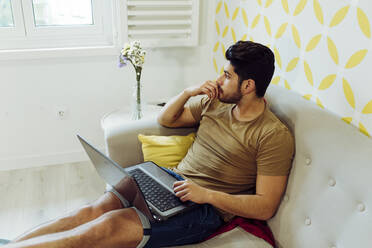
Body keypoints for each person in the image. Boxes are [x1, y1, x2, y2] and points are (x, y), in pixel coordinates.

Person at [3, 40, 294, 248]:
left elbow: (265, 206)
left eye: (227, 75)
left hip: (204, 208)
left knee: (104, 228)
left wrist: (205, 194)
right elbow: (169, 120)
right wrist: (188, 91)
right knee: (88, 212)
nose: (218, 80)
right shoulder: (214, 103)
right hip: (169, 180)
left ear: (248, 86)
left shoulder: (272, 135)